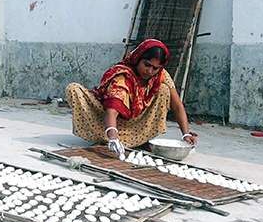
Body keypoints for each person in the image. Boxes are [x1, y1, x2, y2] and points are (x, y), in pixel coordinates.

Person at [65, 39, 197, 159]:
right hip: (108, 121)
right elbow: (112, 110)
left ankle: (141, 140)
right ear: (138, 59)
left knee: (164, 89)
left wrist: (185, 134)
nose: (150, 71)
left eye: (155, 68)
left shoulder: (161, 75)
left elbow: (177, 106)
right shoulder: (123, 77)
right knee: (73, 89)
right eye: (147, 65)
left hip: (138, 124)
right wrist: (112, 136)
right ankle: (108, 139)